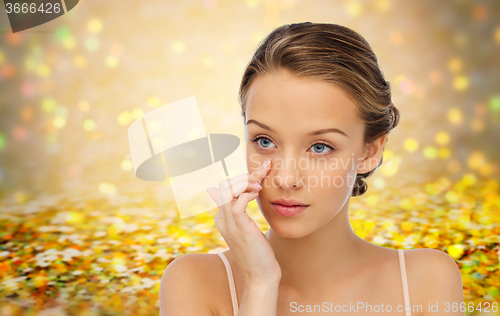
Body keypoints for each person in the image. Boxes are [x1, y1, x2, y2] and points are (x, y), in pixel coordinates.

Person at [159, 22, 464, 316]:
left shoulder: (426, 281)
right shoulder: (194, 282)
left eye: (320, 147)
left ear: (370, 152)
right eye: (264, 141)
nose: (286, 178)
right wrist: (260, 283)